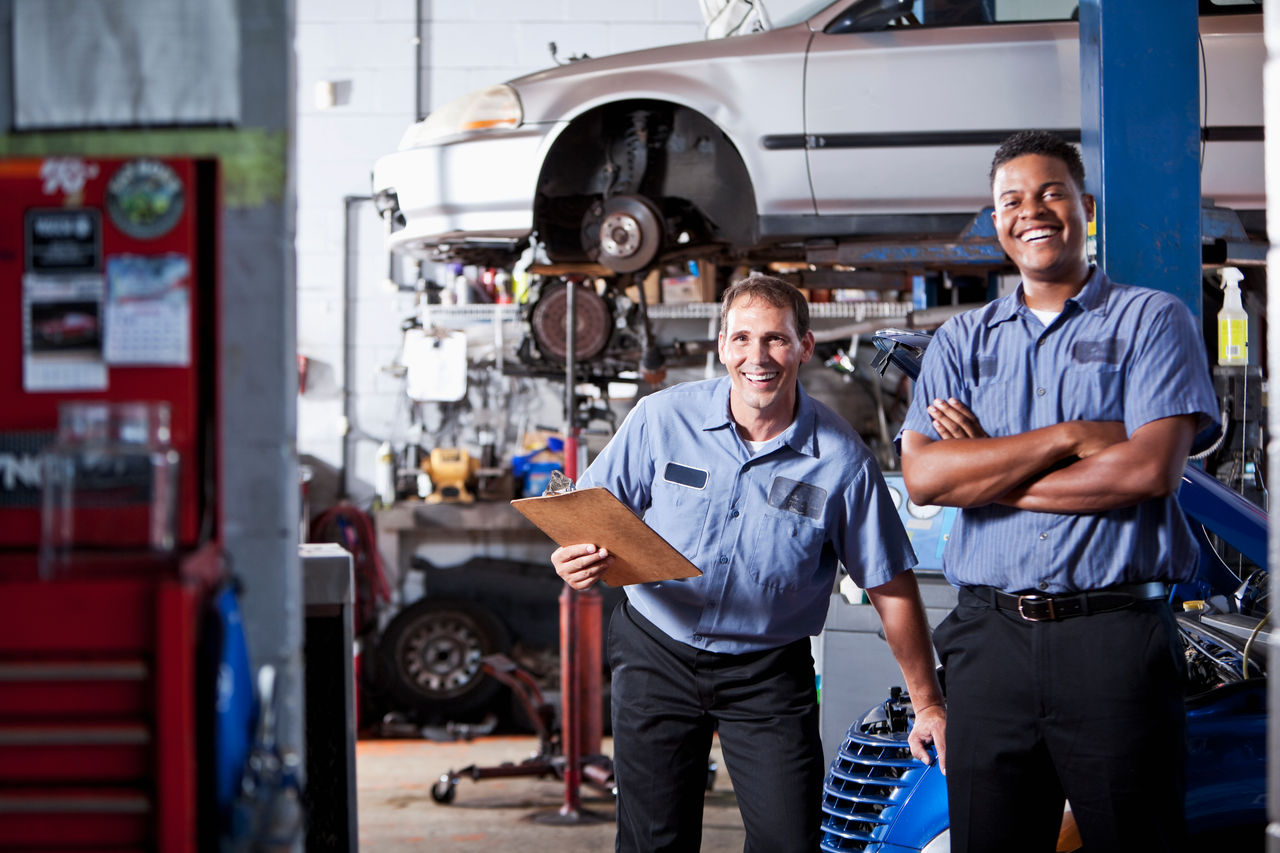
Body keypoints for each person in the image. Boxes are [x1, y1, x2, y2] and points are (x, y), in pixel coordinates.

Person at [897, 130, 1219, 853]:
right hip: (988, 643)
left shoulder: (1152, 321)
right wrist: (1070, 435)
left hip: (1112, 639)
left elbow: (1148, 471)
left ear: (1085, 207)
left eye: (1050, 192)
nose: (1031, 211)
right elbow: (926, 477)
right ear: (996, 220)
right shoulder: (960, 342)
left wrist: (984, 472)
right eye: (1011, 200)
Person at [553, 272, 946, 852]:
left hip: (766, 673)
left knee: (788, 840)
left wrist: (928, 702)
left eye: (776, 339)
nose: (756, 357)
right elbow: (587, 518)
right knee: (652, 841)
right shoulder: (661, 420)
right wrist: (570, 558)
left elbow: (891, 587)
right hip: (656, 648)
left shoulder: (841, 462)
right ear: (721, 346)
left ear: (805, 347)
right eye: (741, 339)